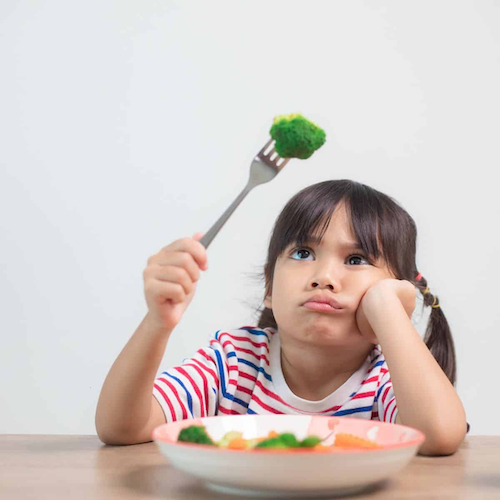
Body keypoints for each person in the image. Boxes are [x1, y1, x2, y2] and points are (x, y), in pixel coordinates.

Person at [95, 179, 468, 455]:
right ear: (270, 287)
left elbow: (438, 436)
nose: (324, 277)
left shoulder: (387, 378)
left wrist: (389, 312)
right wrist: (157, 324)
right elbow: (122, 428)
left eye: (356, 260)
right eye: (304, 253)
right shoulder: (234, 361)